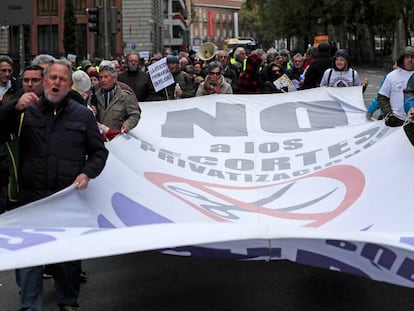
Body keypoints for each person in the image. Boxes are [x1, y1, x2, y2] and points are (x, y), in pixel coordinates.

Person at [0, 59, 108, 311]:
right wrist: (13, 107)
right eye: (51, 78)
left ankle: (68, 303)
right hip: (31, 201)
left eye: (62, 79)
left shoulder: (82, 115)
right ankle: (30, 306)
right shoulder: (25, 110)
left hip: (66, 202)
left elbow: (98, 153)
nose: (56, 82)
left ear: (69, 85)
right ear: (43, 81)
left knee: (66, 262)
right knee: (29, 259)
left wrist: (86, 173)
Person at [92, 64, 140, 133]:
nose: (103, 80)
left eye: (106, 77)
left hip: (117, 137)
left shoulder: (125, 96)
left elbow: (134, 114)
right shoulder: (94, 96)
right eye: (100, 77)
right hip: (100, 137)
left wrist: (127, 124)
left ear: (114, 78)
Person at [0, 55, 21, 211]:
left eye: (9, 70)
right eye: (3, 70)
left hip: (10, 137)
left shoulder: (16, 88)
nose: (7, 74)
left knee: (11, 171)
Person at [378, 46, 414, 127]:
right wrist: (389, 114)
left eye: (412, 57)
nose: (410, 60)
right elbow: (382, 97)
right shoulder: (392, 76)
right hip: (396, 121)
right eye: (407, 57)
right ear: (402, 59)